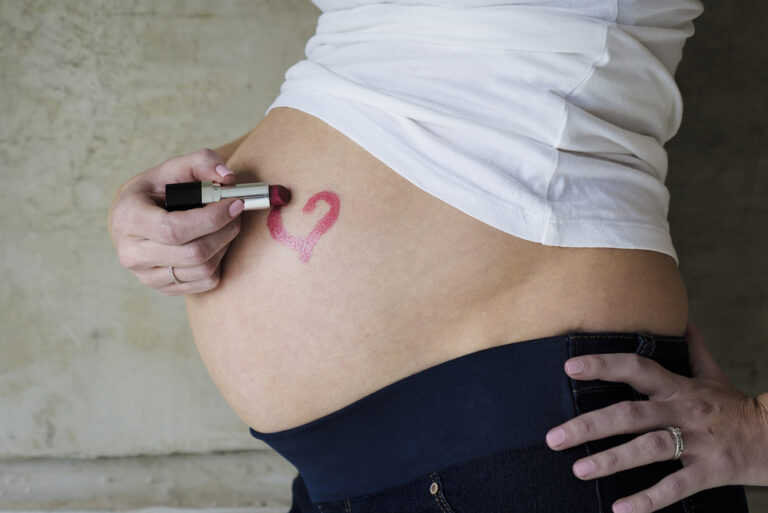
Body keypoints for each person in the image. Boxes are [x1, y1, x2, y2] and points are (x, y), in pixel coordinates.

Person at [108, 1, 768, 512]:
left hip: (530, 441)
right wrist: (185, 201)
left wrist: (758, 432)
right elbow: (390, 74)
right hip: (338, 470)